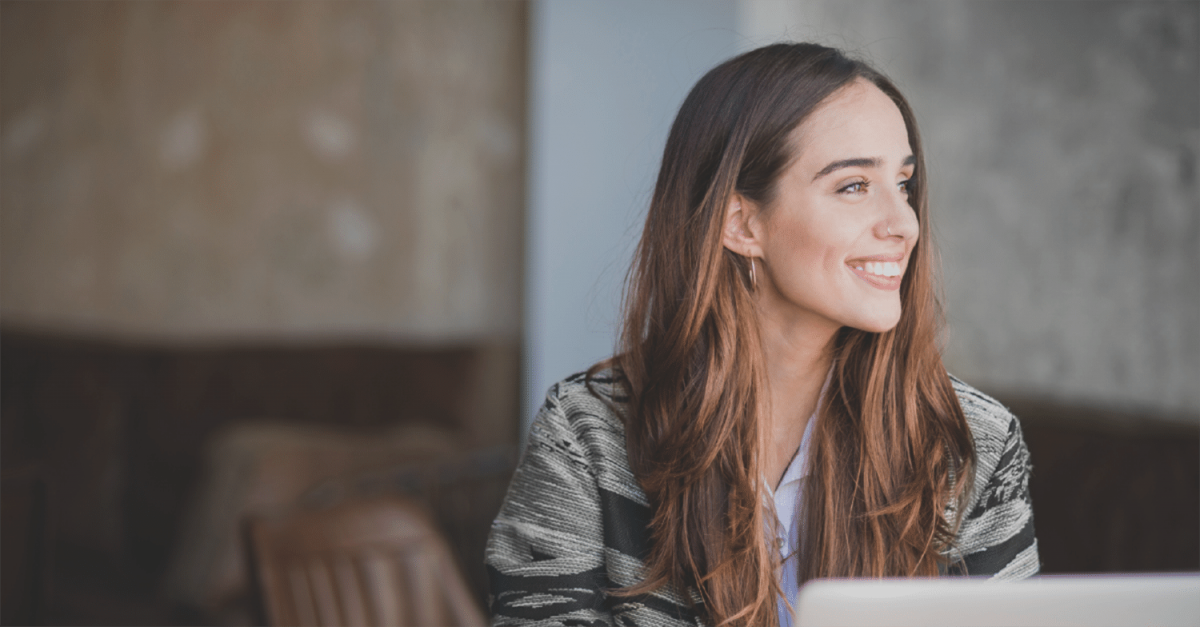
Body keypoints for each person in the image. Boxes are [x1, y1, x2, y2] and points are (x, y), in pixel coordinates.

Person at [485, 42, 1038, 627]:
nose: (904, 223)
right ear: (741, 224)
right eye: (853, 186)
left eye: (904, 184)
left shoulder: (973, 443)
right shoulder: (585, 434)